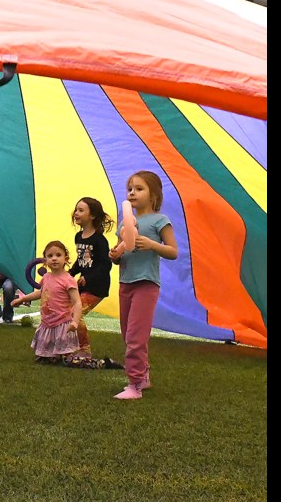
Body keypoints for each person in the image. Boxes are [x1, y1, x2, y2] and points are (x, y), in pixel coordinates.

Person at [108, 170, 179, 400]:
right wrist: (115, 255)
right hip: (125, 283)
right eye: (130, 188)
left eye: (139, 189)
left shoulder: (160, 220)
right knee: (127, 334)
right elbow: (122, 251)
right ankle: (143, 376)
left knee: (136, 337)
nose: (132, 192)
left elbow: (173, 251)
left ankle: (135, 385)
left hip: (146, 284)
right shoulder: (125, 223)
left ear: (154, 194)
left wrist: (151, 244)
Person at [10, 240, 83, 364]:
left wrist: (75, 322)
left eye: (58, 255)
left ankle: (66, 357)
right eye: (50, 256)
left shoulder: (68, 280)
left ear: (66, 258)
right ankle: (48, 356)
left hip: (62, 322)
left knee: (64, 359)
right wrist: (22, 299)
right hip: (47, 321)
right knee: (43, 359)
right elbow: (40, 292)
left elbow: (77, 302)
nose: (54, 259)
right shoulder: (46, 277)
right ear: (45, 260)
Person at [67, 197, 115, 361]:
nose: (76, 213)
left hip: (97, 287)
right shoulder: (78, 237)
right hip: (83, 285)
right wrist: (70, 273)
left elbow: (105, 265)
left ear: (92, 215)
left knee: (75, 313)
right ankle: (68, 346)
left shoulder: (99, 240)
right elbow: (82, 260)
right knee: (66, 312)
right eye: (76, 209)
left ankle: (84, 350)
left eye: (81, 210)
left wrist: (88, 278)